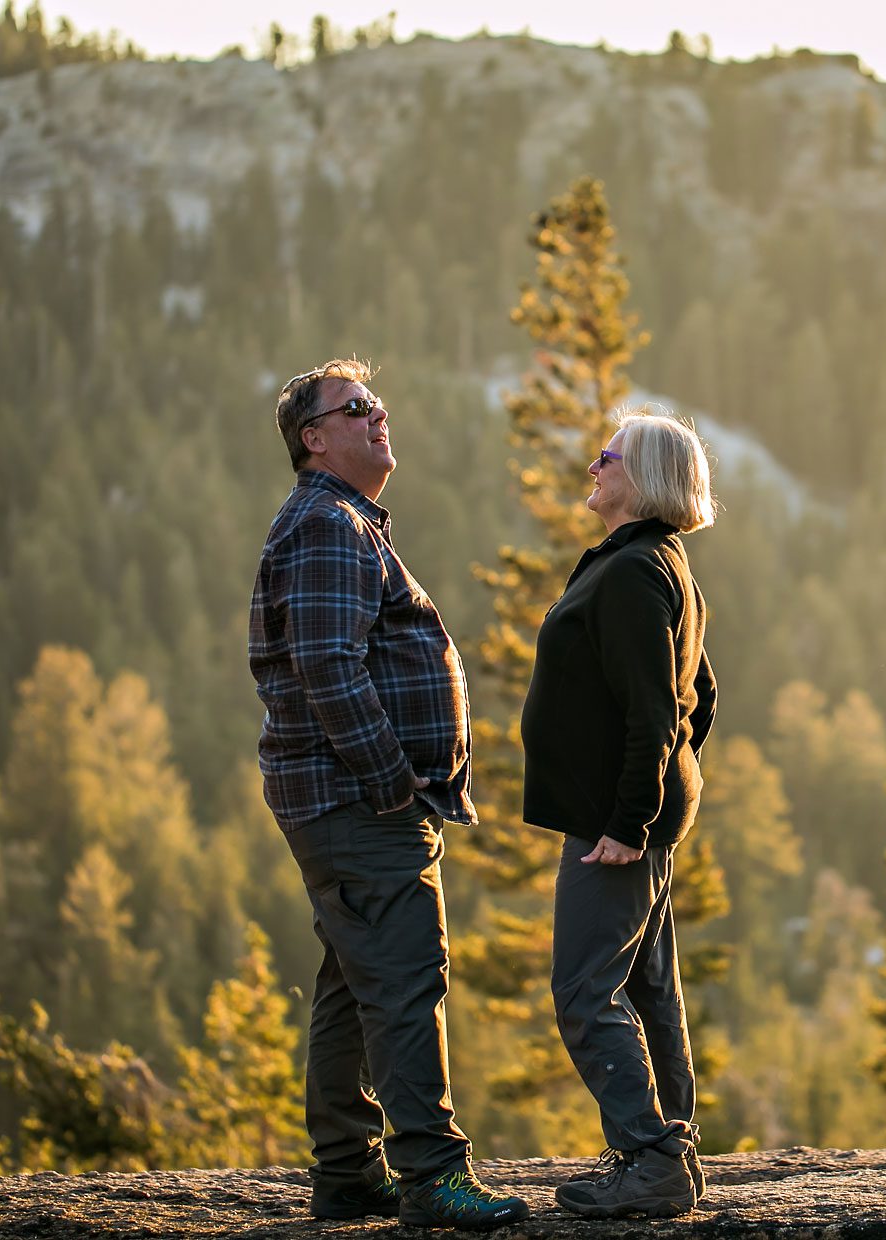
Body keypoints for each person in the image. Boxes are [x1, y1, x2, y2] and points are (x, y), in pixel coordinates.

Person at [249, 358, 529, 1230]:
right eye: (355, 408)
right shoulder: (330, 524)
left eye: (377, 404)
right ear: (314, 438)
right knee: (407, 978)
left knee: (352, 983)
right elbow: (328, 666)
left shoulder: (336, 521)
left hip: (337, 806)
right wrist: (388, 783)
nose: (378, 417)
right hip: (357, 805)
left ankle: (346, 1172)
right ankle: (432, 1175)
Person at [521, 409, 719, 1219]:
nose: (594, 463)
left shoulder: (637, 571)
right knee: (647, 992)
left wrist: (629, 819)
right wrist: (665, 793)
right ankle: (673, 1151)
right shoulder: (657, 565)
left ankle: (650, 1157)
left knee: (584, 991)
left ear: (647, 480)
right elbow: (698, 700)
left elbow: (656, 711)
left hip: (616, 830)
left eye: (612, 455)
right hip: (635, 820)